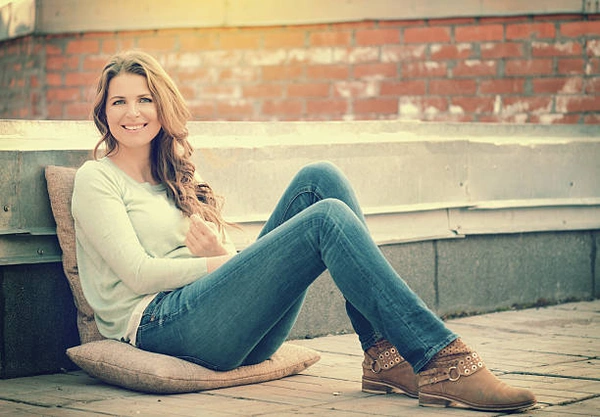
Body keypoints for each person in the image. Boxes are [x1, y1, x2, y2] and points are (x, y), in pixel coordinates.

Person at [72, 50, 536, 412]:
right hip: (158, 325)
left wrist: (219, 253)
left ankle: (384, 356)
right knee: (326, 219)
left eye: (144, 98)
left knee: (321, 180)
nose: (132, 112)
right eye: (119, 101)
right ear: (104, 112)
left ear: (161, 106)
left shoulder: (174, 176)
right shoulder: (98, 178)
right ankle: (441, 360)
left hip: (221, 325)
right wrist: (219, 262)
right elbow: (136, 273)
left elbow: (223, 265)